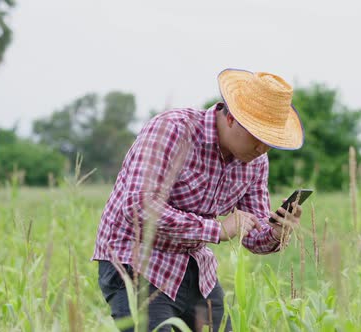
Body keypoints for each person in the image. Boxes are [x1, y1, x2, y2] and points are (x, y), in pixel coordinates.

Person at [92, 68, 305, 332]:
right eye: (258, 137)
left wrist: (276, 231)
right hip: (135, 260)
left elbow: (252, 234)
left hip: (192, 263)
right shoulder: (172, 129)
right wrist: (217, 229)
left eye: (271, 142)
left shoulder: (256, 161)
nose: (263, 148)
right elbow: (138, 206)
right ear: (231, 119)